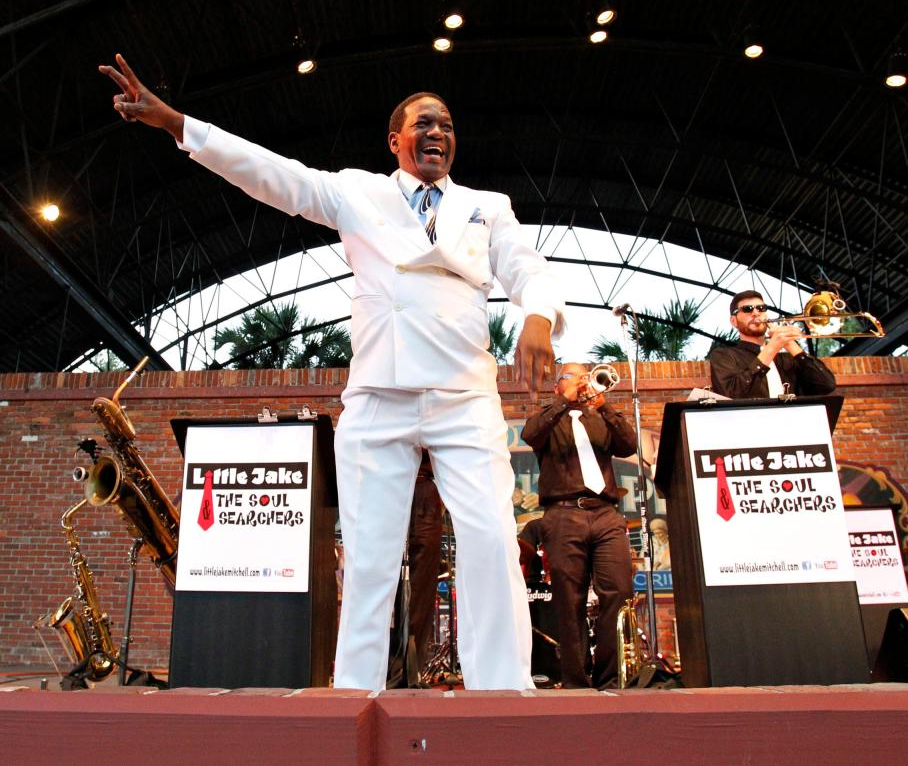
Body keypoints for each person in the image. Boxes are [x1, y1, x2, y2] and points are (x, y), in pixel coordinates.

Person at [100, 55, 565, 691]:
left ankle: (503, 694)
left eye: (448, 125)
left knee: (490, 547)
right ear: (395, 140)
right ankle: (357, 695)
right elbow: (274, 176)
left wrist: (537, 316)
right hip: (378, 397)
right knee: (372, 559)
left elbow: (527, 269)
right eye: (424, 123)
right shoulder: (358, 191)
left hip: (464, 395)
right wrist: (179, 125)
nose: (438, 133)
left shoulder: (488, 206)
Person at [520, 362, 635, 689]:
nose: (584, 382)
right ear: (558, 386)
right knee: (568, 600)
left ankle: (610, 678)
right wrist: (563, 403)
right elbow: (530, 434)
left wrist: (605, 405)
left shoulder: (599, 418)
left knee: (619, 591)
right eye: (574, 376)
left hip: (605, 513)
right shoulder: (548, 419)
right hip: (563, 514)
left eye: (587, 376)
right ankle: (577, 683)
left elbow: (628, 445)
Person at [709, 290, 836, 399]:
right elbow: (731, 394)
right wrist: (772, 347)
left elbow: (826, 385)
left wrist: (791, 345)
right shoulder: (724, 355)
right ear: (734, 321)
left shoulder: (787, 360)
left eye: (761, 308)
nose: (756, 313)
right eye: (747, 309)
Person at [387, 452, 443, 688]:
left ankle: (413, 669)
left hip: (425, 489)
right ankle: (388, 668)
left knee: (421, 589)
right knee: (387, 587)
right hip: (391, 485)